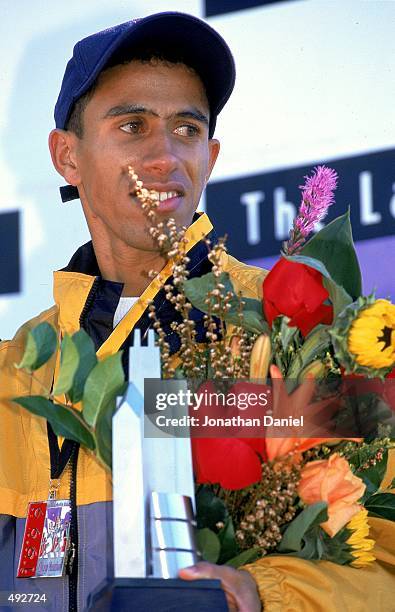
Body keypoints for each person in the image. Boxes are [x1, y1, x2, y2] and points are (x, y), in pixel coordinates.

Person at [0, 11, 394, 612]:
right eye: (132, 125)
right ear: (67, 157)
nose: (165, 156)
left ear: (210, 155)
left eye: (186, 130)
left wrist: (261, 595)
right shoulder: (15, 370)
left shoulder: (297, 331)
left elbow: (386, 556)